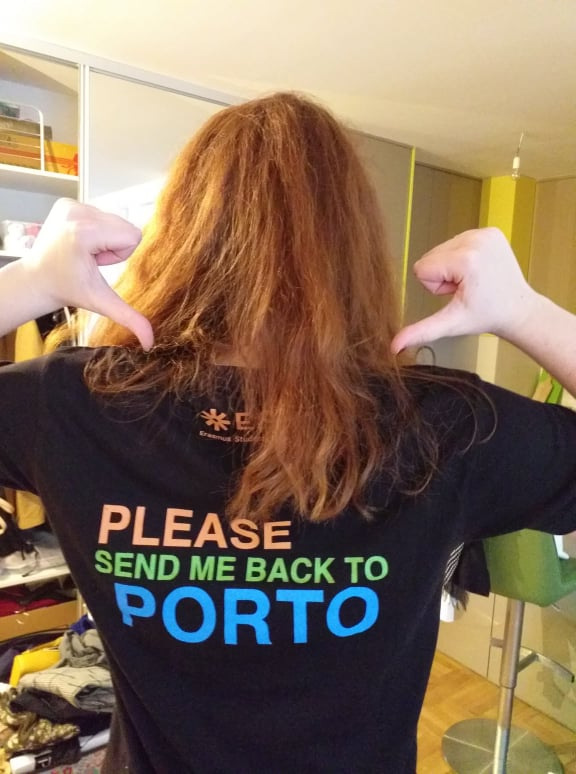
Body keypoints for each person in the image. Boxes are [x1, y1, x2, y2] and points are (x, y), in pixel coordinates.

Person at [0, 92, 575, 774]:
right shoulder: (441, 422)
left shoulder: (76, 404)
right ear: (355, 244)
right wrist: (525, 313)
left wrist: (29, 284)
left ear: (179, 232)